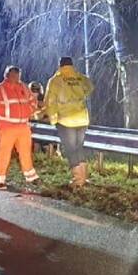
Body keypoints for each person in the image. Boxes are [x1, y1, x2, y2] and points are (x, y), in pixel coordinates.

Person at [0, 65, 39, 189]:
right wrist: (4, 111)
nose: (16, 77)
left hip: (23, 125)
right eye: (14, 75)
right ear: (7, 75)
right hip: (7, 126)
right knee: (4, 152)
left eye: (18, 75)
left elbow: (32, 101)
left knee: (26, 152)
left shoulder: (23, 87)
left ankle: (30, 176)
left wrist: (28, 111)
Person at [44, 57, 93, 187]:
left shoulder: (55, 80)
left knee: (71, 150)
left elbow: (50, 101)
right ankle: (84, 177)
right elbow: (90, 88)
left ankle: (78, 180)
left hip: (66, 120)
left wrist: (53, 118)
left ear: (60, 65)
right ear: (71, 65)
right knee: (79, 147)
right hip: (82, 118)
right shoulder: (80, 77)